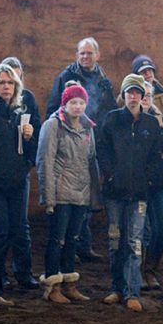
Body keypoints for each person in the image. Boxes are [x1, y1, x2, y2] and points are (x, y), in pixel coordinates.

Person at [97, 74, 163, 312]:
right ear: (124, 95)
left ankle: (132, 291)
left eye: (137, 93)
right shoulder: (111, 120)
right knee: (115, 241)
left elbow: (158, 153)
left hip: (139, 192)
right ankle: (117, 287)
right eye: (129, 93)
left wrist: (146, 177)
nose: (133, 97)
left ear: (142, 97)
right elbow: (102, 150)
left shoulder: (152, 123)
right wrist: (110, 175)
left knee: (134, 242)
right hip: (114, 192)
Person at [47, 38, 118, 264]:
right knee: (68, 198)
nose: (85, 57)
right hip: (68, 144)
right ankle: (70, 247)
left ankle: (81, 244)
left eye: (89, 53)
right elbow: (53, 107)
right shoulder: (66, 77)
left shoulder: (103, 80)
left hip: (93, 142)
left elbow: (111, 114)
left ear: (98, 55)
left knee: (86, 195)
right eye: (81, 53)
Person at [36, 82, 97, 303]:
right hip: (60, 193)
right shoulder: (52, 126)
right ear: (65, 103)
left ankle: (70, 284)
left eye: (81, 102)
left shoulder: (88, 128)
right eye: (73, 102)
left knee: (73, 239)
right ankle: (52, 286)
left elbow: (91, 161)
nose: (78, 106)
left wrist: (92, 194)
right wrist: (48, 196)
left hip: (80, 193)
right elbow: (45, 160)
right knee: (57, 240)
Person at [0, 63, 38, 309]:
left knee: (8, 235)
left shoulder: (18, 115)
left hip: (15, 184)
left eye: (10, 83)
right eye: (1, 82)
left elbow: (29, 151)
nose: (6, 87)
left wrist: (29, 139)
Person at [137, 80, 163, 292]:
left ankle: (151, 267)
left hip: (159, 181)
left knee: (162, 228)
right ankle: (140, 271)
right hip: (138, 182)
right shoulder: (128, 120)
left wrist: (162, 128)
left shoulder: (159, 118)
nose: (145, 99)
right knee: (142, 230)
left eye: (148, 95)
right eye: (141, 94)